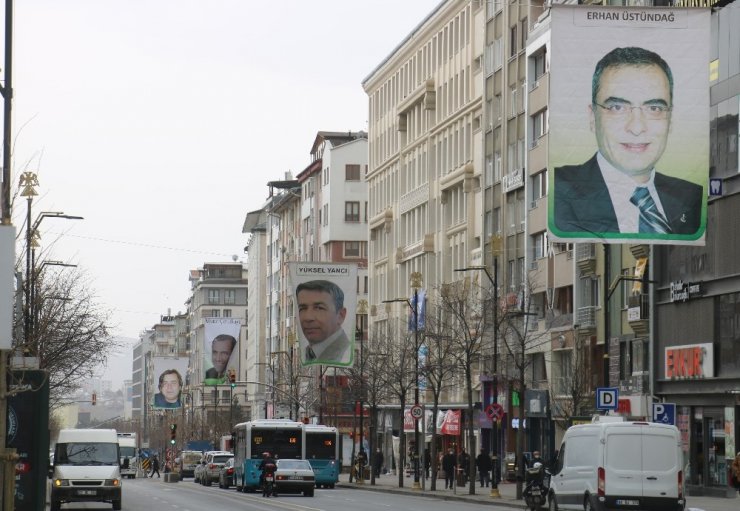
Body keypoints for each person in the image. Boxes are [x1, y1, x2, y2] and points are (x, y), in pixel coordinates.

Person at [553, 46, 702, 237]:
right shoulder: (558, 191)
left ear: (670, 120)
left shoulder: (692, 197)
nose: (637, 127)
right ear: (592, 117)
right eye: (617, 107)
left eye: (654, 108)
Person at [296, 280, 351, 365]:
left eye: (319, 308)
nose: (308, 317)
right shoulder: (308, 352)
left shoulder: (345, 353)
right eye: (303, 308)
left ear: (340, 315)